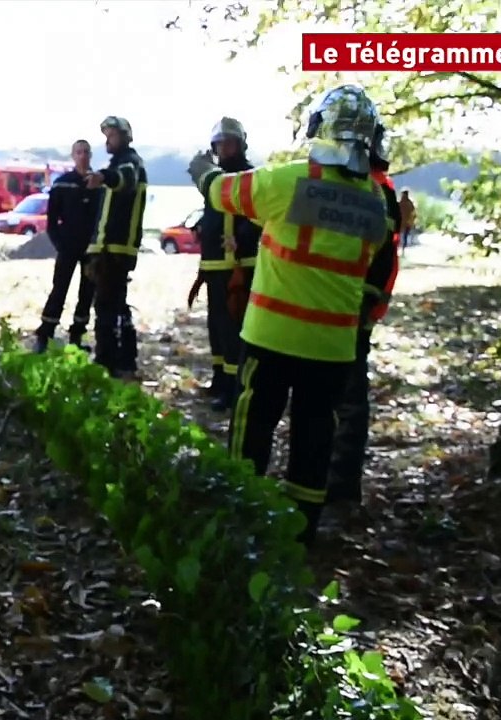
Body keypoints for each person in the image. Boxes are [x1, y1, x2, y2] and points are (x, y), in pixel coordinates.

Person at [186, 84, 395, 546]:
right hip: (334, 348)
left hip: (272, 338)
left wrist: (200, 168)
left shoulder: (286, 181)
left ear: (319, 129)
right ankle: (299, 538)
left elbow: (222, 192)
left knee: (252, 431)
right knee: (315, 439)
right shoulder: (375, 202)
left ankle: (239, 526)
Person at [326, 122, 402, 512]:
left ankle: (341, 490)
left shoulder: (374, 190)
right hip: (347, 308)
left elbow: (379, 261)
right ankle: (331, 482)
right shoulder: (374, 188)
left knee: (349, 403)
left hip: (352, 310)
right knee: (336, 400)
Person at [191, 117, 262, 411]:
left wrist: (241, 240)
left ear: (240, 144)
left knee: (233, 327)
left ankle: (235, 389)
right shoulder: (217, 178)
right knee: (216, 327)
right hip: (215, 264)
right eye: (220, 143)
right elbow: (215, 213)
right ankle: (220, 379)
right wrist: (200, 227)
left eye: (229, 142)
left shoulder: (251, 176)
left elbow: (258, 215)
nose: (224, 148)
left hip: (239, 265)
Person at [85, 116, 148, 378]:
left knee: (107, 308)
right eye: (106, 135)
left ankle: (108, 361)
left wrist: (103, 176)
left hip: (117, 250)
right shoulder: (117, 165)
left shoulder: (131, 164)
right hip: (107, 249)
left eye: (111, 135)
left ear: (125, 136)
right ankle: (123, 360)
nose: (107, 140)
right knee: (115, 306)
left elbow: (124, 179)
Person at [34, 139, 99, 353]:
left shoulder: (100, 184)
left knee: (87, 293)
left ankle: (77, 337)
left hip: (91, 248)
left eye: (86, 152)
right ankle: (45, 335)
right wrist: (60, 244)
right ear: (73, 156)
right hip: (68, 245)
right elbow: (51, 221)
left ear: (90, 155)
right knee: (59, 289)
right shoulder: (62, 183)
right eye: (78, 152)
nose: (83, 156)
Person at [398, 189, 417, 255]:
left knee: (402, 236)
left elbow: (413, 213)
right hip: (406, 223)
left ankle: (402, 250)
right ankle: (402, 250)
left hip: (403, 223)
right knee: (403, 237)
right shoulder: (409, 203)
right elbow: (414, 213)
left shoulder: (401, 203)